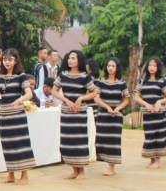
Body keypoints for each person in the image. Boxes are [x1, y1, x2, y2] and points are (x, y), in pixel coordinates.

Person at [52, 50, 98, 181]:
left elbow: (93, 93)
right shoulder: (63, 75)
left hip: (79, 112)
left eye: (73, 58)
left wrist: (82, 98)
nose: (70, 60)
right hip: (66, 112)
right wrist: (65, 100)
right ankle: (73, 169)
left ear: (79, 61)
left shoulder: (85, 76)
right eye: (69, 58)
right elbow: (55, 91)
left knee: (79, 140)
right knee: (68, 141)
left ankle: (81, 170)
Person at [0, 48, 34, 185]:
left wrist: (19, 100)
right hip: (4, 115)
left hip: (17, 116)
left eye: (10, 59)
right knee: (7, 144)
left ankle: (24, 175)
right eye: (5, 59)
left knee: (20, 143)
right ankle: (10, 174)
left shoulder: (21, 76)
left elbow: (29, 94)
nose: (7, 62)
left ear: (15, 61)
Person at [94, 58, 130, 176]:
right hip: (104, 114)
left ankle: (111, 167)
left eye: (113, 66)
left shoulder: (121, 83)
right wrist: (107, 107)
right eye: (109, 65)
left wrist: (117, 108)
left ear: (117, 68)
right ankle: (106, 162)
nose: (110, 68)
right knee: (102, 139)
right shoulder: (100, 82)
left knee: (114, 141)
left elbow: (126, 100)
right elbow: (96, 98)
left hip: (116, 116)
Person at [133, 57, 166, 170]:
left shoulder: (162, 81)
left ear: (158, 67)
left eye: (154, 66)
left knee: (158, 136)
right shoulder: (143, 81)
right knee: (148, 135)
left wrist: (159, 101)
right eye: (150, 65)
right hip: (147, 113)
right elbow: (136, 96)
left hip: (158, 113)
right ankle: (151, 159)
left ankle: (158, 161)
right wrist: (146, 104)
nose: (152, 68)